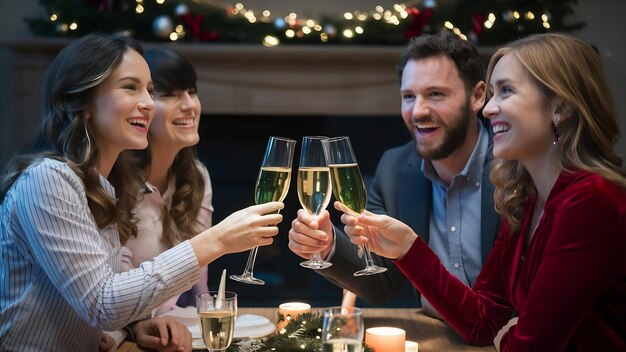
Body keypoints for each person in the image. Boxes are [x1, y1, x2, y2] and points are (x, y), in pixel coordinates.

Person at [335, 33, 626, 351]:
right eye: (493, 91)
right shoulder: (525, 199)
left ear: (562, 106)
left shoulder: (591, 202)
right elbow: (483, 322)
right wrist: (409, 248)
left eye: (506, 90)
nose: (489, 108)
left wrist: (509, 335)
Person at [0, 33, 283, 351]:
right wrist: (217, 241)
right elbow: (102, 304)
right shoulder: (48, 179)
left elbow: (104, 304)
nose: (148, 102)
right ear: (81, 102)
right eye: (130, 87)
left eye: (150, 90)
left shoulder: (98, 186)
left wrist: (133, 325)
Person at [288, 30, 500, 312]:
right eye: (409, 96)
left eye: (435, 94)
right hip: (433, 336)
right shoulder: (394, 168)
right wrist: (326, 245)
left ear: (477, 96)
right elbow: (381, 283)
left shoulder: (515, 166)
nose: (418, 111)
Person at [122, 49, 211, 315]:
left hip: (173, 324)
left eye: (191, 92)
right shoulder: (113, 182)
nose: (189, 105)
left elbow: (199, 278)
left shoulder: (196, 175)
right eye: (170, 94)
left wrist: (210, 317)